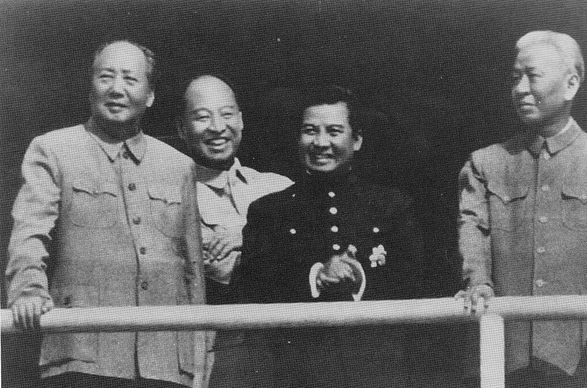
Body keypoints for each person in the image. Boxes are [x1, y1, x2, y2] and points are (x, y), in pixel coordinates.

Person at [5, 40, 205, 388]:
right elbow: (29, 234)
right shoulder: (53, 150)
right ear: (90, 86)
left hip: (166, 364)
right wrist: (27, 291)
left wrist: (198, 362)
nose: (116, 89)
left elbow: (193, 272)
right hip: (82, 355)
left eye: (130, 79)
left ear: (150, 94)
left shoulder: (179, 166)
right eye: (106, 77)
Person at [456, 30, 587, 387]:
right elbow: (473, 231)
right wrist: (477, 283)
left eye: (532, 76)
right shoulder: (485, 164)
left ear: (571, 84)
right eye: (514, 78)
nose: (520, 88)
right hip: (503, 358)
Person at [230, 85, 427, 387]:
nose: (321, 143)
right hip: (298, 372)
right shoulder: (269, 212)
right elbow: (252, 287)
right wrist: (315, 276)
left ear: (356, 139)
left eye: (334, 131)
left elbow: (415, 281)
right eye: (310, 131)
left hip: (376, 370)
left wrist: (359, 276)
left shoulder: (391, 207)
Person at [176, 74, 292, 387]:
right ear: (181, 128)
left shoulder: (279, 187)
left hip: (284, 354)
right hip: (208, 359)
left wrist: (245, 236)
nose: (217, 127)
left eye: (227, 114)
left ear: (241, 120)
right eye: (202, 117)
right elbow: (213, 270)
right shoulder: (170, 198)